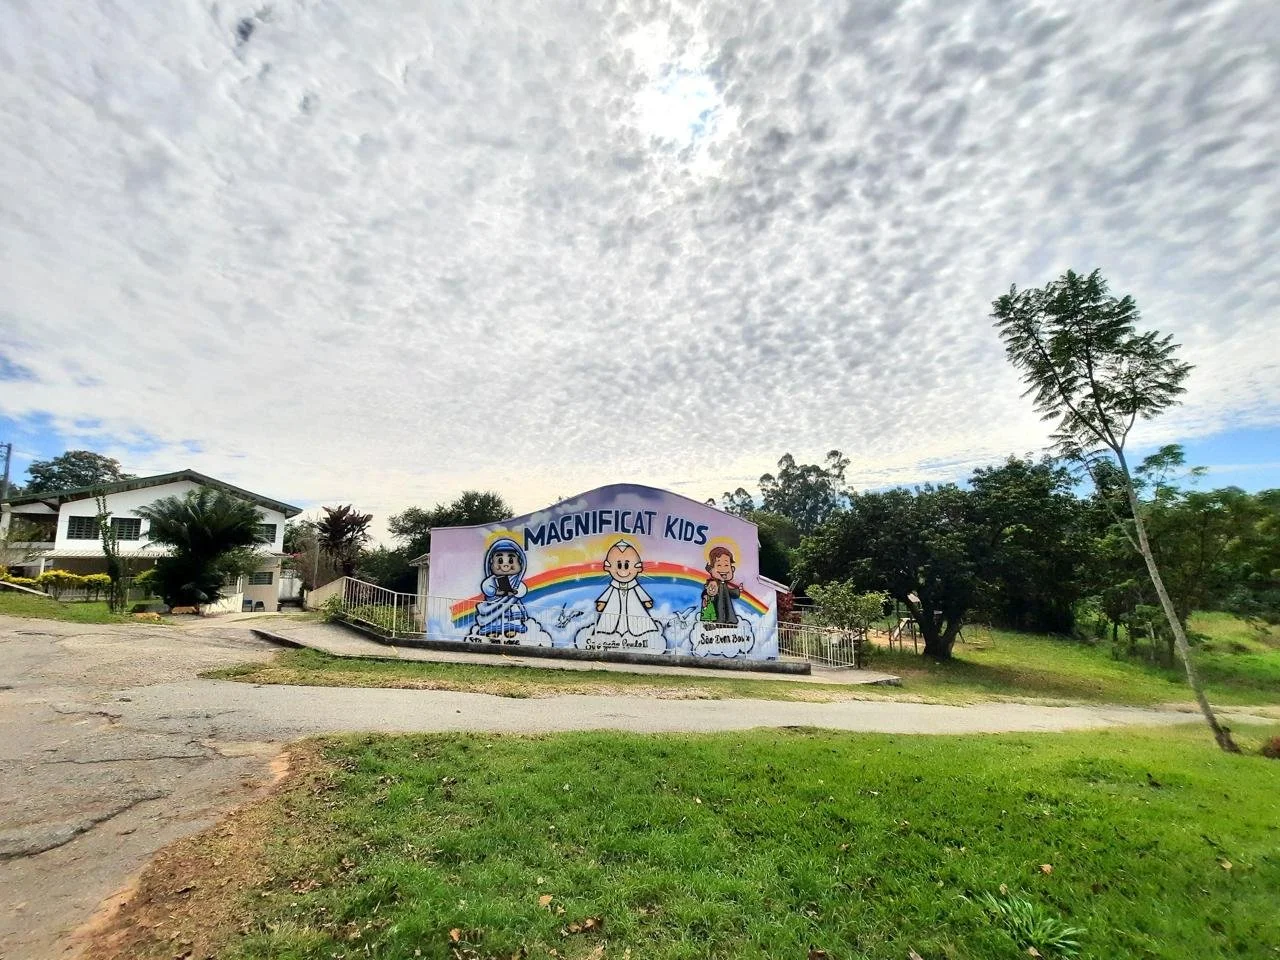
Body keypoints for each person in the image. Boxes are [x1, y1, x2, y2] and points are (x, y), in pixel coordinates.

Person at [591, 540, 662, 649]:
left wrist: (646, 601)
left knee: (637, 625)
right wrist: (602, 602)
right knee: (611, 624)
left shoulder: (634, 586)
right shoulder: (613, 586)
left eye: (627, 565)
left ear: (637, 568)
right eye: (619, 565)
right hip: (614, 611)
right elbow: (607, 594)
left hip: (633, 611)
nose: (623, 570)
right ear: (608, 567)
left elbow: (640, 593)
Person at [472, 538, 528, 641]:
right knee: (494, 618)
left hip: (511, 604)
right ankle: (493, 630)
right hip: (494, 604)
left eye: (511, 560)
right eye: (500, 560)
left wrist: (515, 591)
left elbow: (522, 589)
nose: (505, 565)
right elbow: (486, 587)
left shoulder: (516, 580)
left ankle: (511, 629)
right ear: (491, 563)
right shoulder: (492, 579)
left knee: (512, 618)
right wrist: (496, 592)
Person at [700, 545, 741, 625]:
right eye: (719, 565)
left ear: (732, 569)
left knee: (728, 610)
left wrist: (737, 591)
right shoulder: (713, 583)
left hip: (727, 604)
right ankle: (719, 620)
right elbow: (708, 590)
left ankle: (730, 619)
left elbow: (729, 592)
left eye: (726, 565)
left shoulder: (724, 584)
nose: (723, 569)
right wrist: (705, 596)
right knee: (718, 610)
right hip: (716, 604)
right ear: (711, 569)